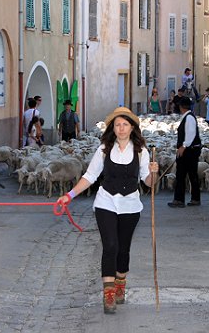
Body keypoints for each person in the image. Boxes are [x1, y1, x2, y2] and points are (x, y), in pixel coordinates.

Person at [57, 107, 159, 314]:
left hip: (130, 204)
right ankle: (109, 293)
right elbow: (90, 176)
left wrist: (153, 173)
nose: (121, 128)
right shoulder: (104, 149)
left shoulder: (141, 152)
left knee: (123, 249)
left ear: (132, 128)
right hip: (106, 203)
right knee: (110, 246)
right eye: (117, 125)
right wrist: (69, 195)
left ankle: (121, 282)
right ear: (113, 128)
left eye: (125, 124)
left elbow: (148, 183)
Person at [168, 97, 202, 208]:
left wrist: (183, 146)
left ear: (181, 106)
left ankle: (179, 199)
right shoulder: (188, 116)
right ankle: (194, 198)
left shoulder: (189, 118)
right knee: (191, 174)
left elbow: (190, 133)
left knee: (182, 174)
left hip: (189, 150)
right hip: (190, 149)